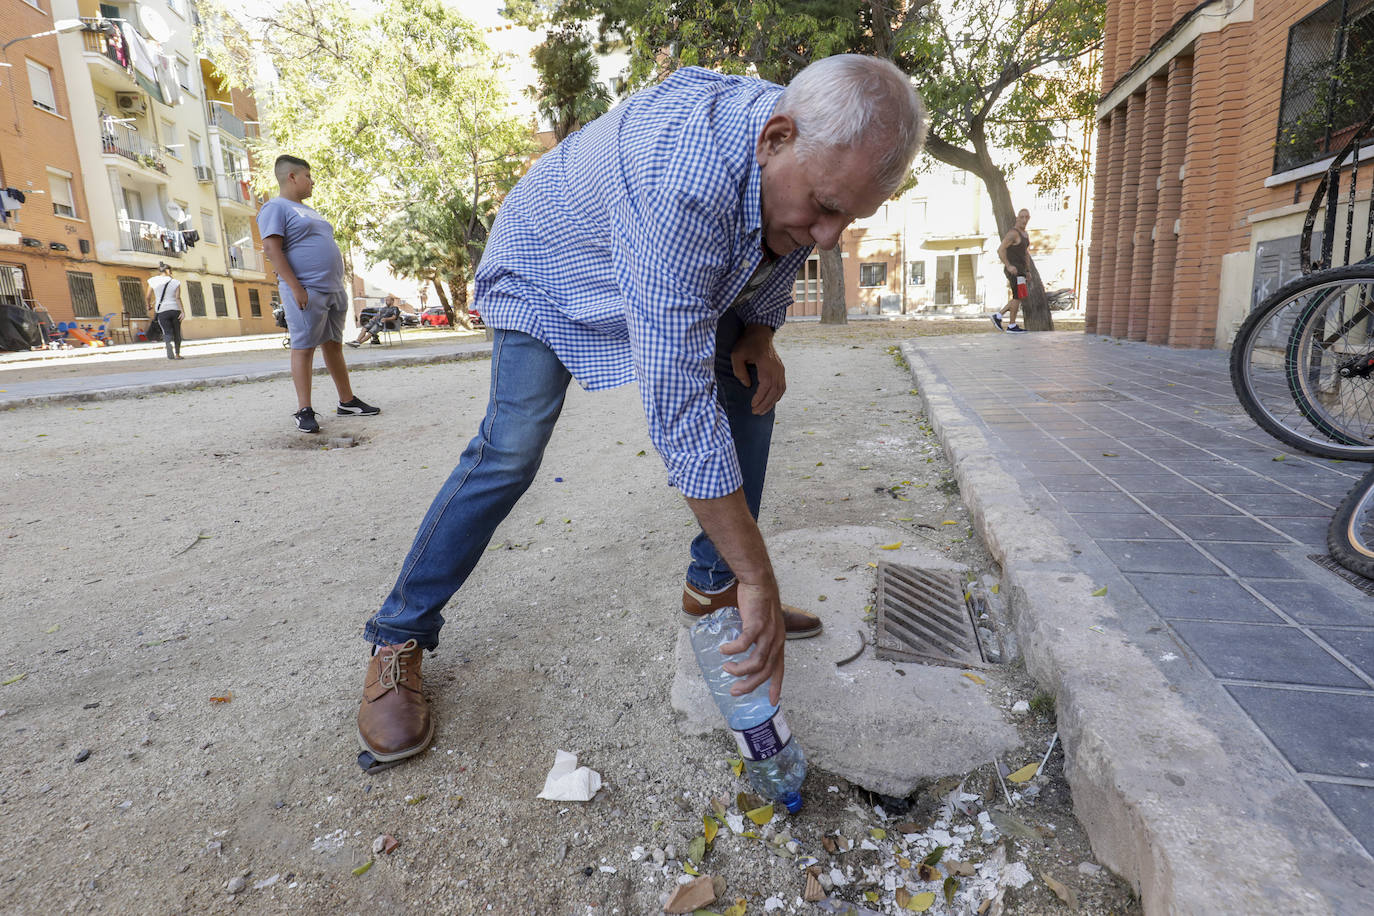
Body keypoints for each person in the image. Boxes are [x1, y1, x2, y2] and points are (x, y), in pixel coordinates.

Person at [355, 56, 927, 770]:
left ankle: (714, 588)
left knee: (750, 385)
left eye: (852, 216)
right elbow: (678, 407)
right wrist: (763, 575)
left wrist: (760, 330)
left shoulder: (792, 160)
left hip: (657, 259)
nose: (828, 239)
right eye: (827, 206)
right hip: (549, 269)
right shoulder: (682, 180)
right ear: (777, 137)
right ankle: (398, 633)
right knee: (512, 447)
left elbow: (778, 241)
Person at [258, 155, 379, 433]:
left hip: (332, 289)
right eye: (308, 176)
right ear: (292, 177)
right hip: (306, 289)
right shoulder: (275, 207)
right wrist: (295, 287)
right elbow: (272, 250)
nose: (312, 182)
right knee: (304, 347)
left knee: (333, 345)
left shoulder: (309, 210)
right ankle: (304, 410)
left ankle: (347, 401)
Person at [991, 209, 1031, 333]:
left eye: (1026, 217)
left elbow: (1025, 253)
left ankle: (998, 316)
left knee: (1019, 296)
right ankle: (1011, 325)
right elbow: (1000, 250)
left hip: (1021, 270)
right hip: (1014, 270)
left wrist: (1028, 271)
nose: (1024, 220)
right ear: (1017, 218)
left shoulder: (1025, 234)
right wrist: (1008, 266)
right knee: (1017, 296)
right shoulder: (1013, 234)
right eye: (1022, 217)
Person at [145, 262, 184, 360]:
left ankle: (168, 343)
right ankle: (178, 354)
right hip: (175, 309)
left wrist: (148, 305)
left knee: (166, 331)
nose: (171, 273)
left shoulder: (152, 281)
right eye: (170, 271)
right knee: (177, 331)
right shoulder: (176, 282)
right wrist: (182, 311)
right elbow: (177, 298)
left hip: (162, 310)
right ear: (167, 271)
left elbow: (148, 296)